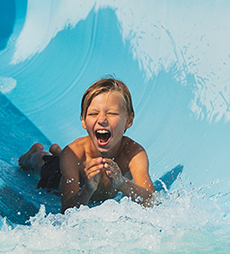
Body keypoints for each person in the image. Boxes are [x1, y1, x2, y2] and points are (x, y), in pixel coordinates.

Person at [16, 77, 153, 209]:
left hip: (69, 163)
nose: (102, 120)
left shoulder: (134, 154)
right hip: (58, 176)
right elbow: (67, 209)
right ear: (83, 121)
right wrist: (87, 189)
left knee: (64, 159)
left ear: (129, 120)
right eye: (93, 114)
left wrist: (122, 183)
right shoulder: (74, 154)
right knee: (42, 161)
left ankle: (58, 153)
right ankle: (31, 155)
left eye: (111, 113)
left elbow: (151, 200)